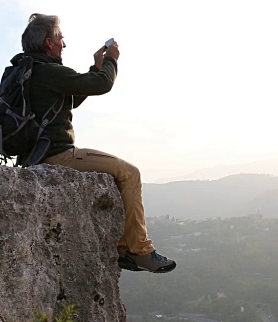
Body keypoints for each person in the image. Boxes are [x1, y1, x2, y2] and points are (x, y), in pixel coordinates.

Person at [14, 13, 176, 273]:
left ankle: (125, 248)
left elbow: (69, 99)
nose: (64, 44)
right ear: (48, 43)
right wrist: (111, 60)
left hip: (33, 156)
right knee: (130, 172)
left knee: (124, 172)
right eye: (60, 37)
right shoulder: (49, 70)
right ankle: (139, 250)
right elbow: (102, 85)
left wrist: (94, 68)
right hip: (56, 155)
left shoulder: (30, 70)